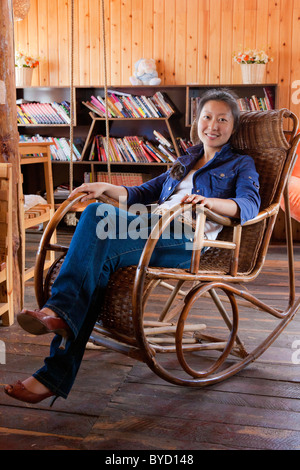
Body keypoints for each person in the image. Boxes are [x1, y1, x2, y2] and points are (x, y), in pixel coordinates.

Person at [4, 88, 261, 405]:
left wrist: (211, 203)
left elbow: (249, 206)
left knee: (98, 215)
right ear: (198, 122)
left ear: (232, 127)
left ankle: (60, 311)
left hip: (187, 239)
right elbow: (141, 193)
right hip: (151, 225)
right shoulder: (185, 160)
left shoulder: (240, 163)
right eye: (207, 117)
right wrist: (105, 187)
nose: (213, 125)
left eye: (222, 119)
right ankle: (52, 374)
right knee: (99, 254)